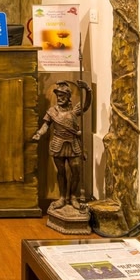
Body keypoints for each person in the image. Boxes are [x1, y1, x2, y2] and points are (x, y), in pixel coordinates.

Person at [32, 80, 92, 211]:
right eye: (58, 96)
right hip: (58, 143)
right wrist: (39, 133)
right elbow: (46, 125)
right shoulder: (52, 111)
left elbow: (86, 105)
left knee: (76, 170)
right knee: (61, 172)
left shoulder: (74, 111)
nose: (59, 98)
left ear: (68, 97)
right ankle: (62, 197)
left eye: (62, 96)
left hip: (73, 144)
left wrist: (87, 90)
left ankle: (73, 196)